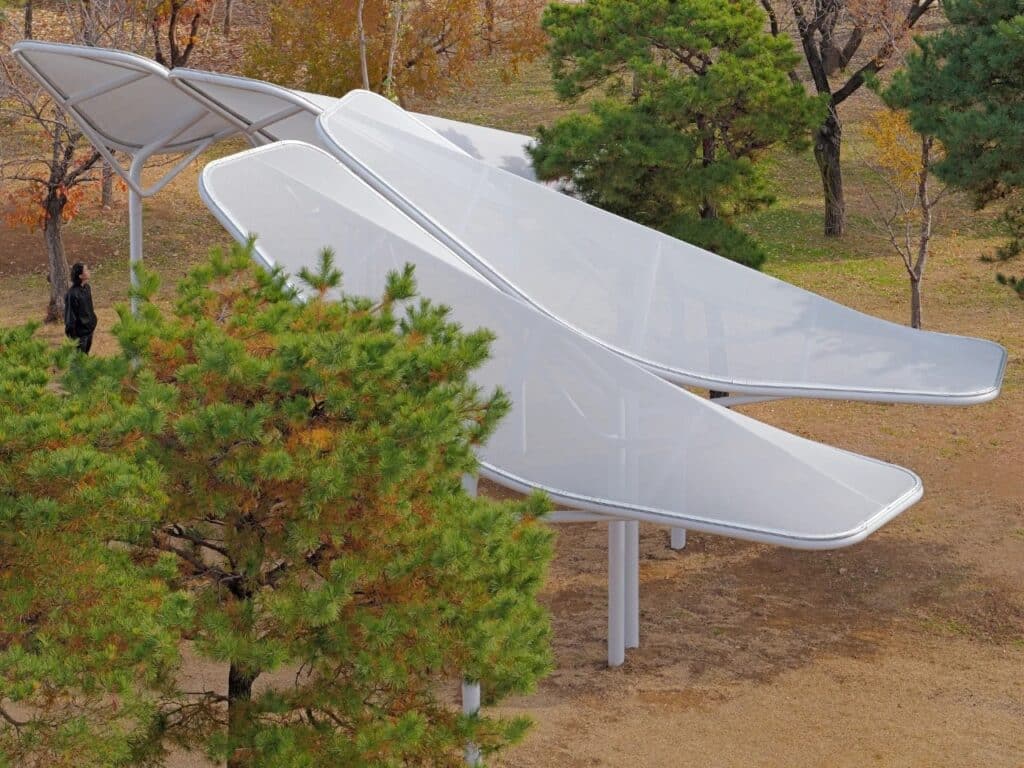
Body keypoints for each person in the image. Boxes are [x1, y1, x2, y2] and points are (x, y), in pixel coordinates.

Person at [64, 262, 97, 354]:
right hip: (79, 335)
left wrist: (93, 321)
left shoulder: (87, 288)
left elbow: (89, 308)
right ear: (80, 276)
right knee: (79, 361)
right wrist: (74, 338)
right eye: (86, 270)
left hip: (89, 330)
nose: (89, 271)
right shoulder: (72, 294)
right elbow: (70, 318)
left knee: (85, 356)